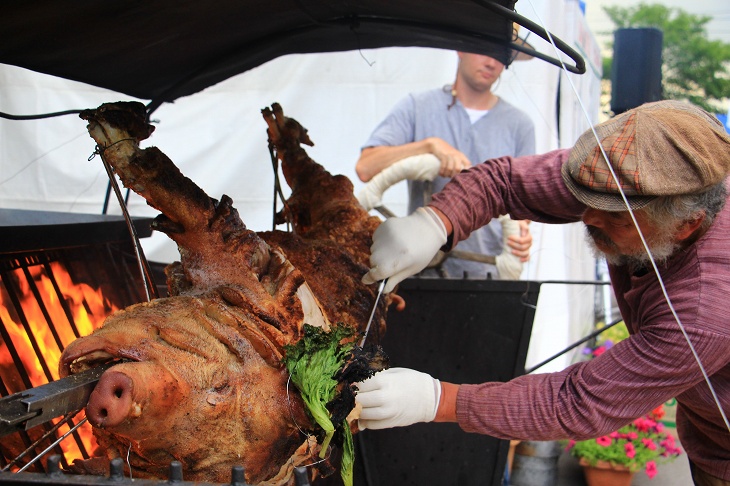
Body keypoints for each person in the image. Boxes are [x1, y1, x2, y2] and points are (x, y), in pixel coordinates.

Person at [356, 100, 730, 485]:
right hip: (703, 426)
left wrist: (438, 400)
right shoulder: (619, 177)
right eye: (586, 203)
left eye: (615, 218)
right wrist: (437, 221)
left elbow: (579, 402)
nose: (587, 218)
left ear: (687, 225)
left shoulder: (707, 309)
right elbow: (502, 181)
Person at [355, 51, 534, 280]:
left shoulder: (520, 125)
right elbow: (366, 167)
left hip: (488, 276)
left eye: (501, 55)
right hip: (419, 275)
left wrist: (522, 233)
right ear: (461, 49)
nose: (491, 62)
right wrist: (430, 146)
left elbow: (523, 203)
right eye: (484, 51)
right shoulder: (417, 107)